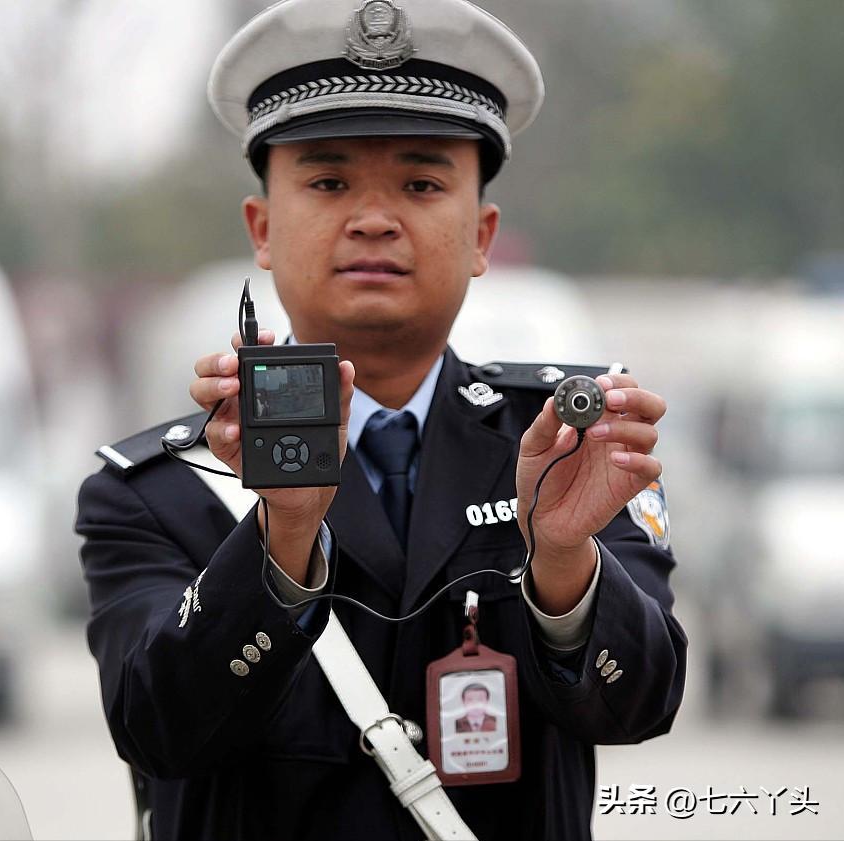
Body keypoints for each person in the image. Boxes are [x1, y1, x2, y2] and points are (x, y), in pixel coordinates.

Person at [76, 1, 687, 838]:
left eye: (421, 184)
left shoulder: (565, 448)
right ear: (262, 228)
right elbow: (157, 730)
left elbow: (640, 705)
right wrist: (282, 538)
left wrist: (563, 560)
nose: (372, 218)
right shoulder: (160, 491)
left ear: (482, 235)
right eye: (328, 183)